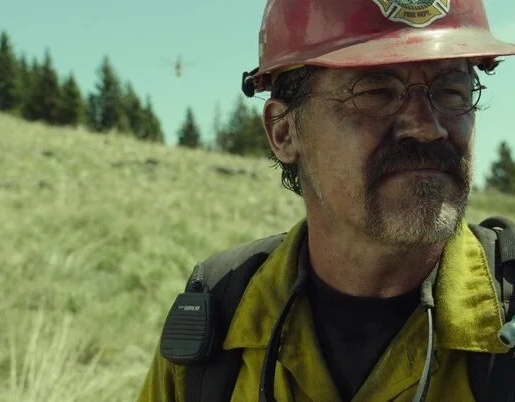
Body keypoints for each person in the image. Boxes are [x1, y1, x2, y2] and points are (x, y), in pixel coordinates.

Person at [137, 0, 515, 401]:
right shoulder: (218, 320)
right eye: (376, 92)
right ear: (283, 132)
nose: (427, 128)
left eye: (452, 92)